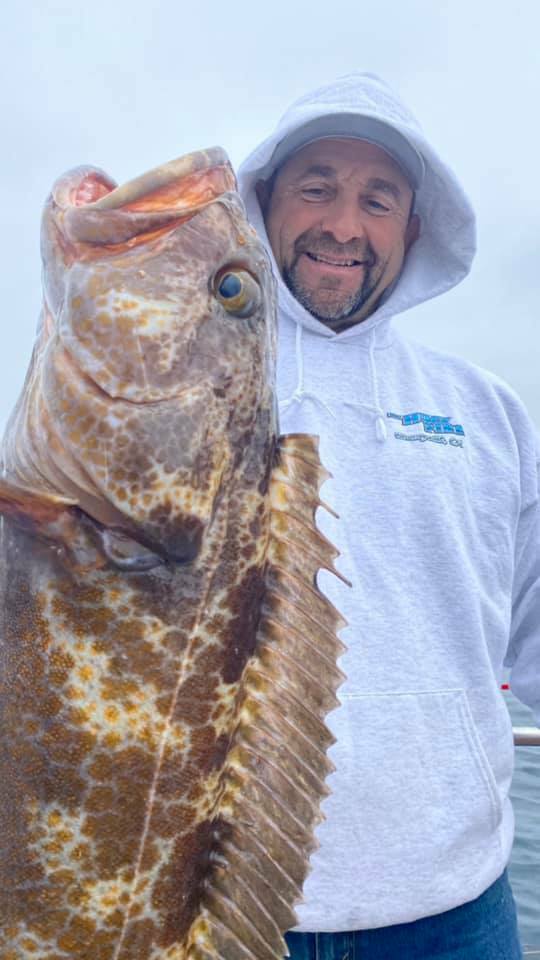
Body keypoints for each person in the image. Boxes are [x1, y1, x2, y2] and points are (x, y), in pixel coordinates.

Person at [237, 72, 540, 960]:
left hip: (454, 909)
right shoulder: (178, 388)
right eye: (317, 187)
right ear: (262, 205)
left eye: (379, 198)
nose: (343, 224)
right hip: (209, 901)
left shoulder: (491, 413)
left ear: (414, 226)